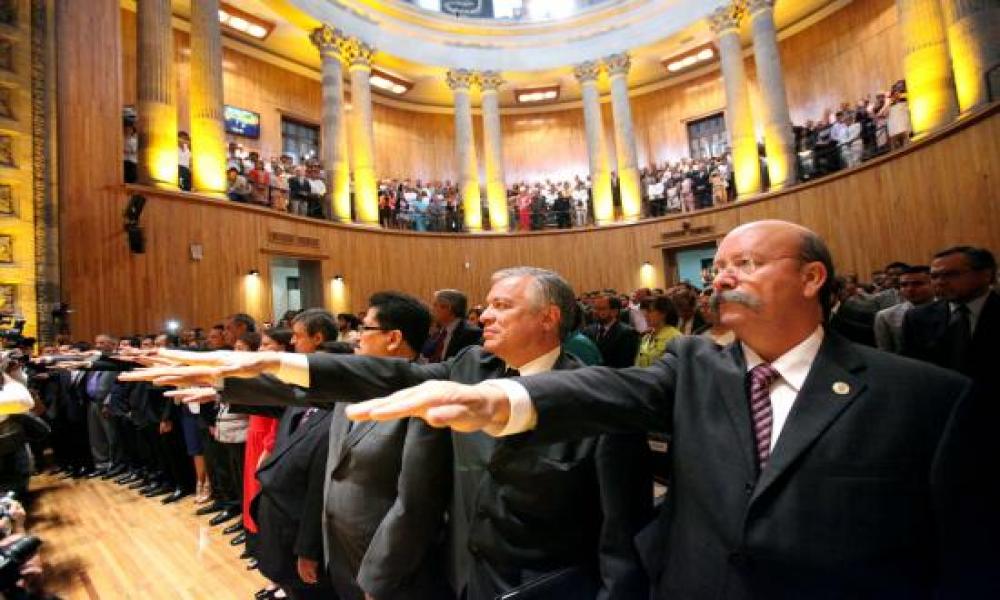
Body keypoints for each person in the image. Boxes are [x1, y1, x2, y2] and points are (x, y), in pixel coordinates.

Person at [340, 220, 997, 598]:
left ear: (811, 277)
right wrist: (495, 395)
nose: (722, 276)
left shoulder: (929, 398)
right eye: (718, 266)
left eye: (745, 262)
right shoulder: (691, 368)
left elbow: (966, 562)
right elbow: (610, 390)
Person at [124, 268, 654, 600]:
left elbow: (619, 540)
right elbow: (384, 376)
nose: (484, 315)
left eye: (502, 306)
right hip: (463, 579)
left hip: (550, 588)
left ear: (549, 318)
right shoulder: (471, 366)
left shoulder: (596, 400)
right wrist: (267, 364)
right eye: (485, 305)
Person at [874, 265, 934, 353]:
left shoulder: (951, 310)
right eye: (904, 285)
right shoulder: (886, 316)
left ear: (933, 284)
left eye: (917, 284)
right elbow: (885, 353)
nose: (910, 289)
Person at [635, 296, 681, 367]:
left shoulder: (675, 337)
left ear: (663, 314)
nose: (646, 315)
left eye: (650, 311)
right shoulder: (647, 336)